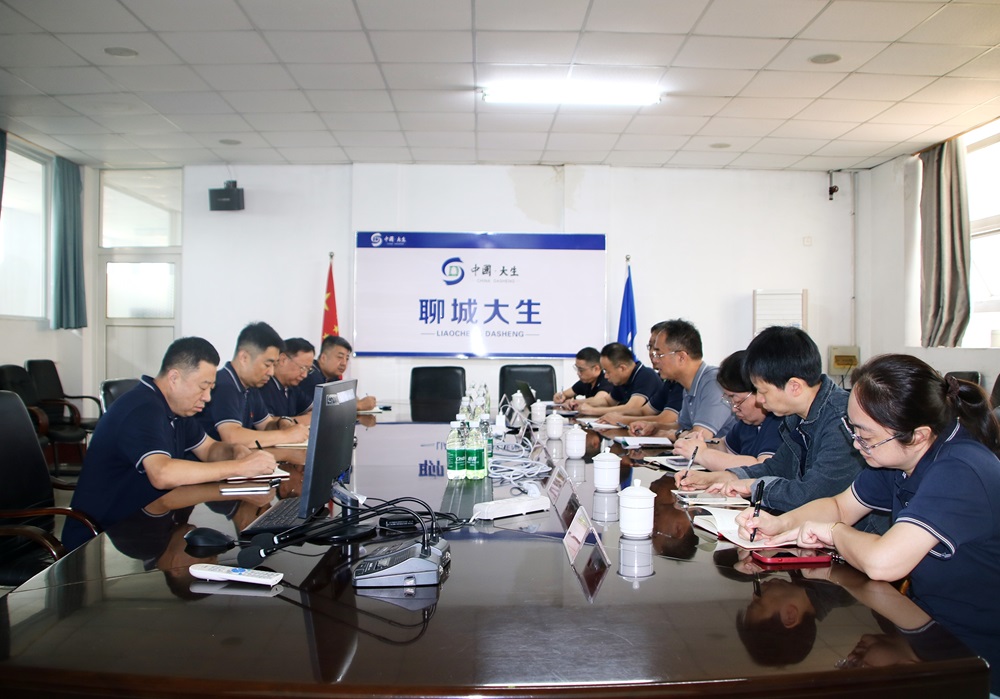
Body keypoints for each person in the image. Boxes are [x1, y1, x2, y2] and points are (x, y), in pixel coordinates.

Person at [737, 354, 1000, 693]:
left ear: (917, 435)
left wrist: (834, 533)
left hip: (979, 659)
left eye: (865, 436)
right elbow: (839, 506)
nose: (856, 444)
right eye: (852, 429)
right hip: (929, 632)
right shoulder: (898, 458)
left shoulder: (960, 470)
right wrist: (778, 524)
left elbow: (882, 562)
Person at [63, 337, 278, 549]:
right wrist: (239, 468)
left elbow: (209, 449)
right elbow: (162, 474)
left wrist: (236, 451)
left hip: (146, 522)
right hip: (99, 540)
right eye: (203, 387)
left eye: (211, 388)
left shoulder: (177, 410)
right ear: (174, 378)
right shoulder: (142, 409)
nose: (208, 397)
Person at [676, 326, 884, 533]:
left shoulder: (842, 420)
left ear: (794, 386)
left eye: (762, 391)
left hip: (858, 537)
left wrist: (754, 487)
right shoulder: (797, 416)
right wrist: (720, 478)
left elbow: (813, 494)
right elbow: (776, 468)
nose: (759, 399)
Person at [198, 322, 310, 448]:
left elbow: (266, 425)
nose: (271, 372)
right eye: (267, 365)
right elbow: (232, 437)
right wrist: (286, 436)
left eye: (274, 365)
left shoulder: (251, 386)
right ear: (244, 358)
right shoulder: (223, 385)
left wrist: (282, 422)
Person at [672, 350, 781, 471]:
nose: (734, 408)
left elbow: (761, 467)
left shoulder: (778, 422)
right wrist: (701, 443)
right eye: (729, 399)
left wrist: (702, 454)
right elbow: (724, 447)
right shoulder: (747, 424)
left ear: (759, 391)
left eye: (737, 399)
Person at [629, 319, 734, 440]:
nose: (655, 360)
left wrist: (670, 434)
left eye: (659, 355)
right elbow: (682, 427)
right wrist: (655, 427)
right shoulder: (689, 385)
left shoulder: (714, 383)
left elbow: (698, 437)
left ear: (681, 357)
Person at [599, 323, 683, 427]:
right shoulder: (669, 382)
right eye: (650, 347)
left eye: (657, 350)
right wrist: (615, 415)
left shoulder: (683, 382)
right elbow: (643, 411)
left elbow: (666, 420)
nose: (652, 354)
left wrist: (621, 419)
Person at [563, 342, 661, 417]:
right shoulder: (622, 380)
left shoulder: (646, 375)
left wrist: (592, 411)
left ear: (622, 368)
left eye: (607, 371)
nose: (605, 376)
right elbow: (608, 401)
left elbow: (632, 408)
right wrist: (579, 403)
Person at [296, 334, 377, 412]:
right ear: (323, 358)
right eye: (340, 357)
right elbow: (319, 408)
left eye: (347, 358)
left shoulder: (331, 376)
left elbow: (345, 396)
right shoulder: (310, 376)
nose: (344, 363)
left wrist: (355, 400)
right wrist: (358, 405)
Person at [261, 337, 316, 425]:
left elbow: (316, 410)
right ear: (283, 360)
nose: (305, 375)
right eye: (303, 368)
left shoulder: (292, 386)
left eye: (308, 369)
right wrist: (307, 419)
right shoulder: (263, 385)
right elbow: (267, 424)